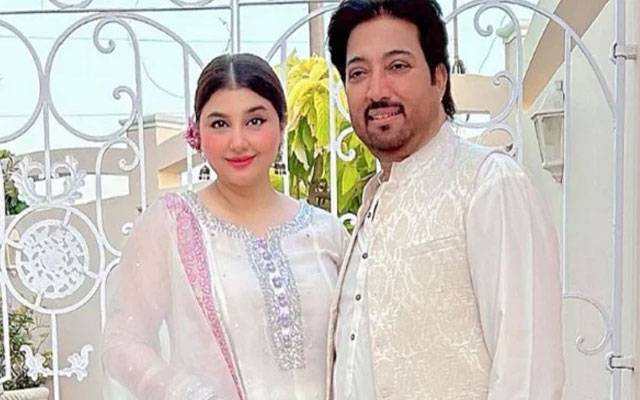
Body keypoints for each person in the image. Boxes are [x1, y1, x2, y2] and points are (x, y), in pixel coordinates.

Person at [325, 0, 565, 399]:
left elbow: (528, 373)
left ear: (439, 78)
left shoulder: (489, 183)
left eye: (397, 66)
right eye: (358, 73)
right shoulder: (374, 204)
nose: (377, 90)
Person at [102, 53, 348, 400]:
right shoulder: (173, 225)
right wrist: (188, 393)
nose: (238, 141)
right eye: (219, 124)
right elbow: (122, 342)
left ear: (282, 123)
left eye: (255, 121)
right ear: (197, 132)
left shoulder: (326, 233)